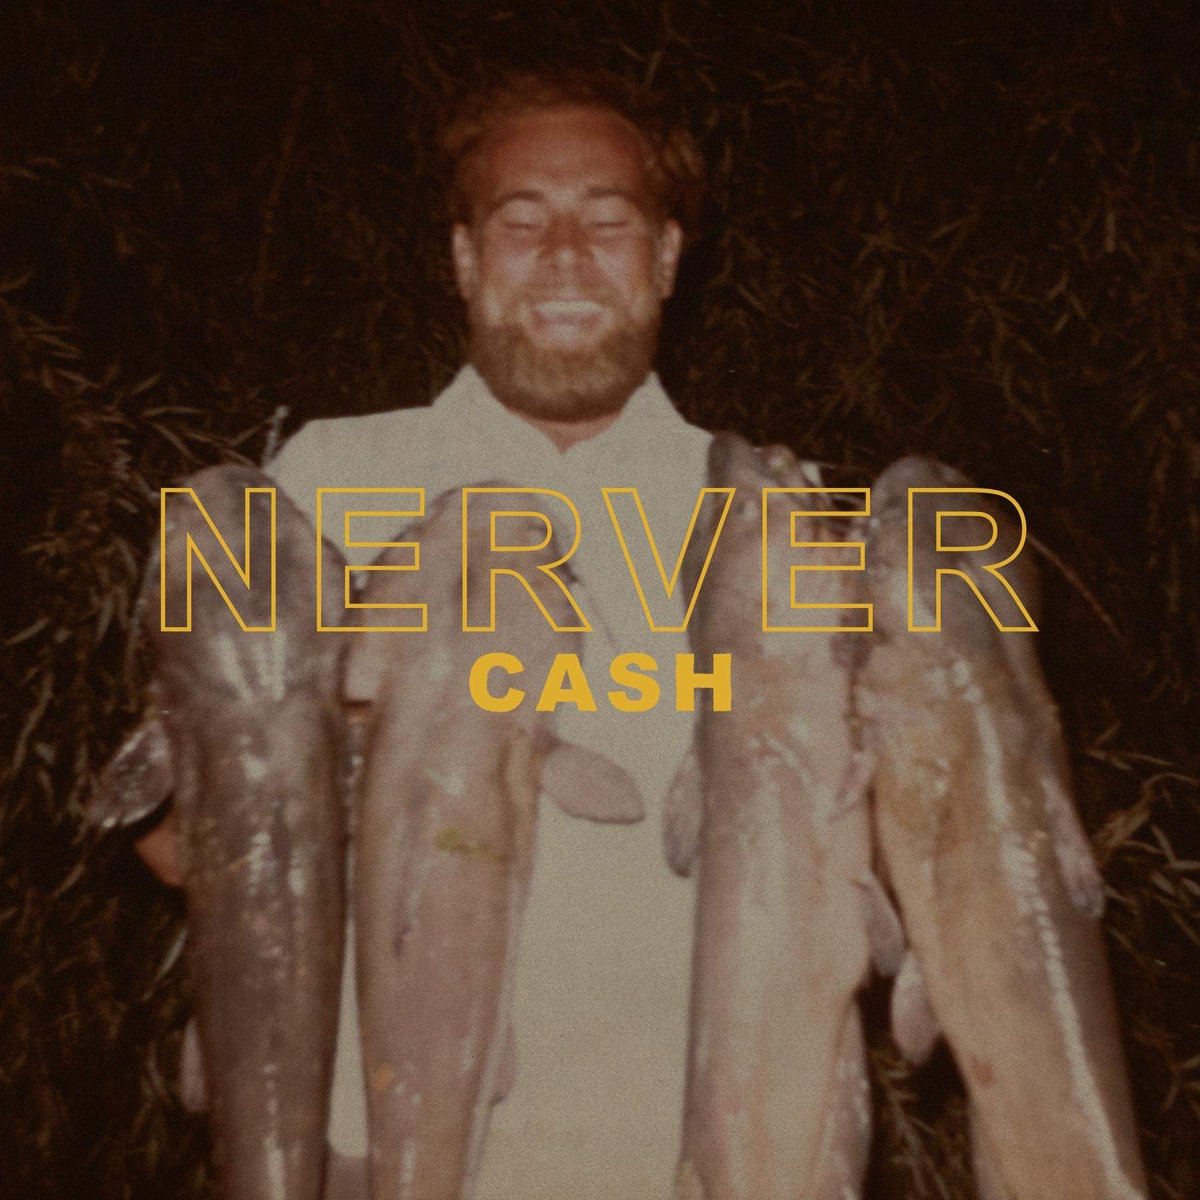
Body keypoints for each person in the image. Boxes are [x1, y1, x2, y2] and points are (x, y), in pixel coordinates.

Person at [139, 69, 716, 1199]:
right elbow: (174, 830)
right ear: (462, 257)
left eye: (608, 222)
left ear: (665, 256)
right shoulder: (321, 482)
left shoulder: (767, 514)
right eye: (521, 222)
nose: (564, 256)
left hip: (683, 1155)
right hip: (363, 1149)